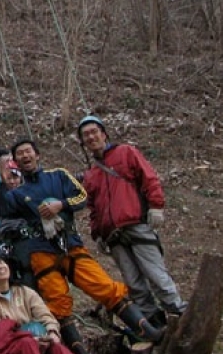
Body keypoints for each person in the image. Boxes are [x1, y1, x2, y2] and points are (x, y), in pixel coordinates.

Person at [0, 138, 164, 354]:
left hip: (71, 245)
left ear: (37, 155)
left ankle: (148, 330)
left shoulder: (58, 175)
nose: (25, 156)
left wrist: (61, 205)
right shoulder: (16, 194)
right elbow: (4, 218)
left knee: (103, 286)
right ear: (16, 161)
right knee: (58, 303)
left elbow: (81, 197)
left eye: (28, 151)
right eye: (20, 154)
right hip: (40, 251)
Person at [79, 115, 186, 326]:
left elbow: (149, 177)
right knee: (134, 283)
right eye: (86, 135)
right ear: (82, 143)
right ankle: (155, 324)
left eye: (94, 131)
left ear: (104, 133)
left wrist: (156, 206)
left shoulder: (126, 153)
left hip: (136, 224)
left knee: (156, 275)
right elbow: (93, 207)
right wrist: (97, 232)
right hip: (113, 235)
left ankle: (181, 316)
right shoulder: (91, 175)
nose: (91, 137)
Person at [0, 253, 72, 354]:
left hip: (37, 339)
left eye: (3, 262)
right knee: (27, 343)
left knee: (57, 348)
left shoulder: (25, 292)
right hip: (8, 347)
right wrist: (28, 338)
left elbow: (45, 315)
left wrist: (52, 332)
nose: (1, 266)